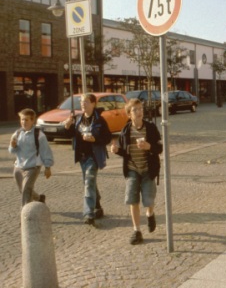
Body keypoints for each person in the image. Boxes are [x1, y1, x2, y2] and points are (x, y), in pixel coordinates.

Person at [110, 99, 163, 245]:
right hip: (132, 169)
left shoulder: (151, 128)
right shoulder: (126, 130)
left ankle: (150, 214)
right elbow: (124, 152)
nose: (139, 112)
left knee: (148, 200)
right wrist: (116, 150)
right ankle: (136, 231)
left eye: (140, 109)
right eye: (135, 110)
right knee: (133, 200)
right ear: (129, 114)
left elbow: (159, 148)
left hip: (148, 169)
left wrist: (149, 147)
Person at [64, 93, 112, 226]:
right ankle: (97, 206)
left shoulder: (99, 120)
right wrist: (67, 126)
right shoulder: (78, 119)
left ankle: (88, 213)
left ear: (93, 104)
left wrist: (95, 139)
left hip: (93, 156)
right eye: (81, 102)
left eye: (85, 102)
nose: (82, 104)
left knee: (89, 181)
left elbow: (107, 138)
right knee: (89, 182)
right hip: (81, 156)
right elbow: (71, 135)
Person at [8, 108, 54, 208]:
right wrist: (13, 145)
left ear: (32, 121)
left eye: (26, 120)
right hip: (19, 167)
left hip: (33, 167)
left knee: (26, 191)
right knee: (23, 189)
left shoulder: (39, 135)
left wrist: (48, 167)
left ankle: (25, 217)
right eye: (22, 120)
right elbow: (12, 151)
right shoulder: (17, 133)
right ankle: (39, 199)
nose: (24, 122)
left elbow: (45, 151)